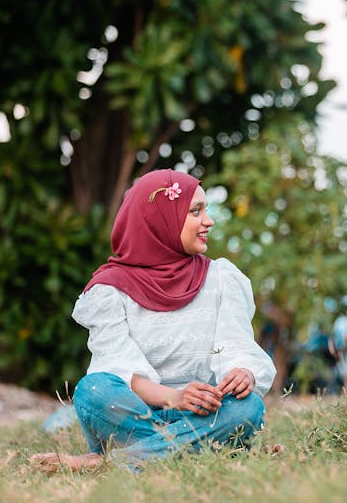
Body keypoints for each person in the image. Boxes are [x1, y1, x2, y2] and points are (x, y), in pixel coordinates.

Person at [31, 169, 276, 472]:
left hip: (203, 413)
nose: (208, 221)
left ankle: (107, 464)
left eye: (206, 210)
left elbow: (237, 347)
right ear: (161, 219)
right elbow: (117, 370)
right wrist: (175, 397)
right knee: (92, 391)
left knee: (248, 407)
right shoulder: (110, 290)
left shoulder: (221, 278)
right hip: (138, 412)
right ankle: (197, 449)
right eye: (195, 211)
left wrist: (243, 373)